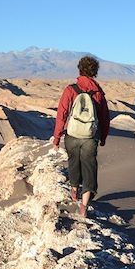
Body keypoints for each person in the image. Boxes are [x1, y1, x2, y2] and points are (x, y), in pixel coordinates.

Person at [51, 55, 110, 217]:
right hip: (90, 137)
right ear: (95, 72)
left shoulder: (71, 90)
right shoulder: (98, 93)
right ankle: (84, 205)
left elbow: (61, 115)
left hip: (72, 135)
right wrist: (103, 137)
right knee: (89, 167)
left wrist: (57, 138)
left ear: (80, 69)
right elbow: (105, 118)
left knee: (73, 162)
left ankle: (74, 189)